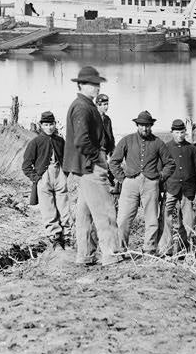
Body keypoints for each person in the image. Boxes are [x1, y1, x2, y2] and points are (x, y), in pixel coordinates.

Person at [62, 65, 123, 266]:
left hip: (82, 167)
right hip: (90, 167)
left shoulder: (83, 105)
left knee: (85, 213)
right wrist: (99, 158)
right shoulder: (82, 107)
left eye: (97, 84)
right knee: (105, 210)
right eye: (92, 84)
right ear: (81, 85)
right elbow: (81, 140)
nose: (96, 87)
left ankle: (85, 254)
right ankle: (111, 254)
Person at [110, 111, 175, 255]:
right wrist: (122, 179)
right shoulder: (127, 140)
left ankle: (149, 248)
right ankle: (120, 249)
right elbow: (114, 162)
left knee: (151, 218)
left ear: (151, 126)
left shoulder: (158, 142)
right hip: (130, 183)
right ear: (137, 125)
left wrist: (160, 177)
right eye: (141, 125)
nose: (144, 129)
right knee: (123, 218)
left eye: (147, 126)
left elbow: (170, 164)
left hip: (151, 183)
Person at [22, 111, 71, 249]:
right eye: (46, 125)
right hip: (44, 177)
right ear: (41, 125)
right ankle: (55, 238)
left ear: (55, 125)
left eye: (51, 124)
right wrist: (37, 178)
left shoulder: (60, 140)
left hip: (59, 174)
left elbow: (67, 158)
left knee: (64, 208)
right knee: (48, 210)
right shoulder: (35, 142)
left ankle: (67, 237)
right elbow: (26, 165)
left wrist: (65, 173)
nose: (49, 127)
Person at [158, 119, 196, 256]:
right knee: (166, 217)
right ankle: (166, 250)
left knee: (188, 220)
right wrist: (161, 190)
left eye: (182, 132)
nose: (180, 135)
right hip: (170, 188)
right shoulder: (166, 148)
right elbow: (161, 169)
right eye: (177, 132)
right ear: (172, 132)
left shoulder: (191, 148)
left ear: (185, 133)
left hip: (188, 190)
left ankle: (184, 249)